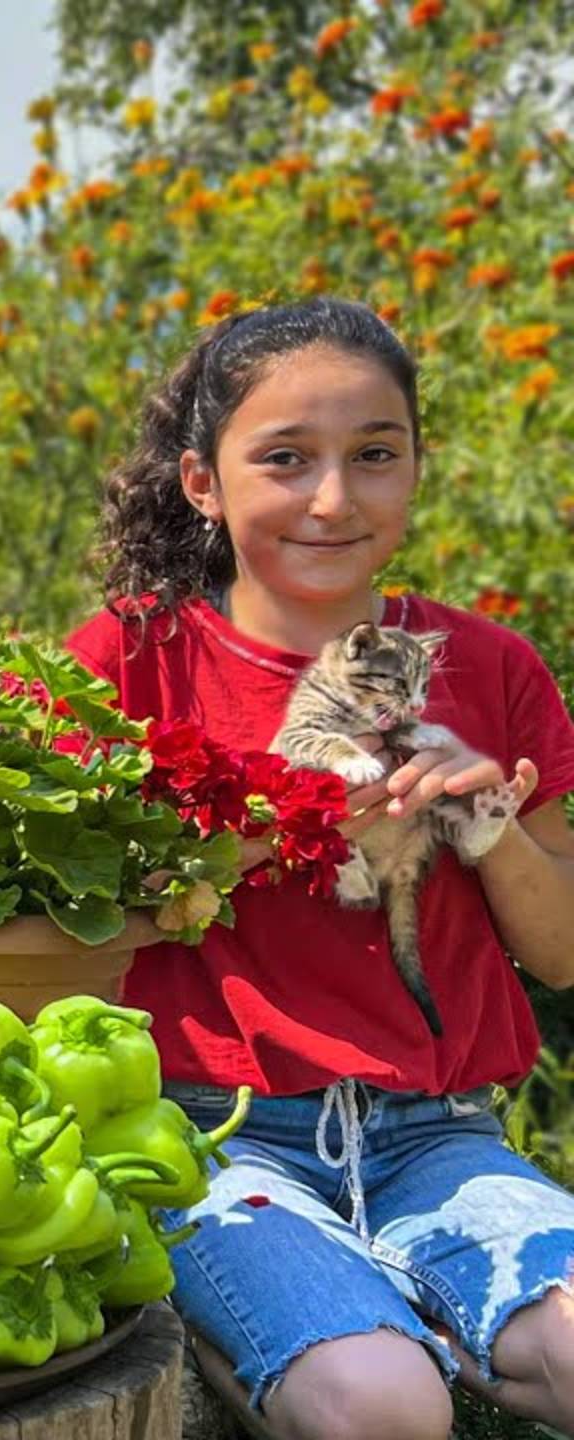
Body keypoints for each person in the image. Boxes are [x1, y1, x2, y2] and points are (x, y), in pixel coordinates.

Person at [67, 297, 574, 1440]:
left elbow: (560, 950)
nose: (333, 500)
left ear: (415, 468)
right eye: (285, 460)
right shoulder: (130, 661)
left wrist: (485, 819)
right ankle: (286, 1316)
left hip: (440, 1132)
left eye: (373, 457)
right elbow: (53, 945)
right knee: (382, 1406)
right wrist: (269, 828)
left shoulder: (488, 665)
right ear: (203, 481)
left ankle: (406, 1291)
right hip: (211, 1130)